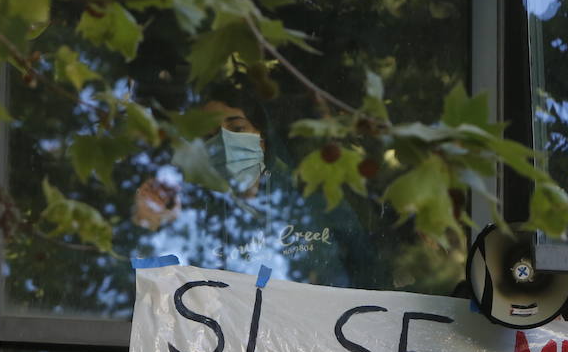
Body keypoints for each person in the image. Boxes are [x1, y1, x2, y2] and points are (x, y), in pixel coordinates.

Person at [131, 85, 386, 290]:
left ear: (261, 137)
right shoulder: (190, 215)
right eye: (209, 136)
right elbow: (152, 289)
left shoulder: (311, 198)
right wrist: (146, 224)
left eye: (237, 127)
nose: (224, 141)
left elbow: (368, 266)